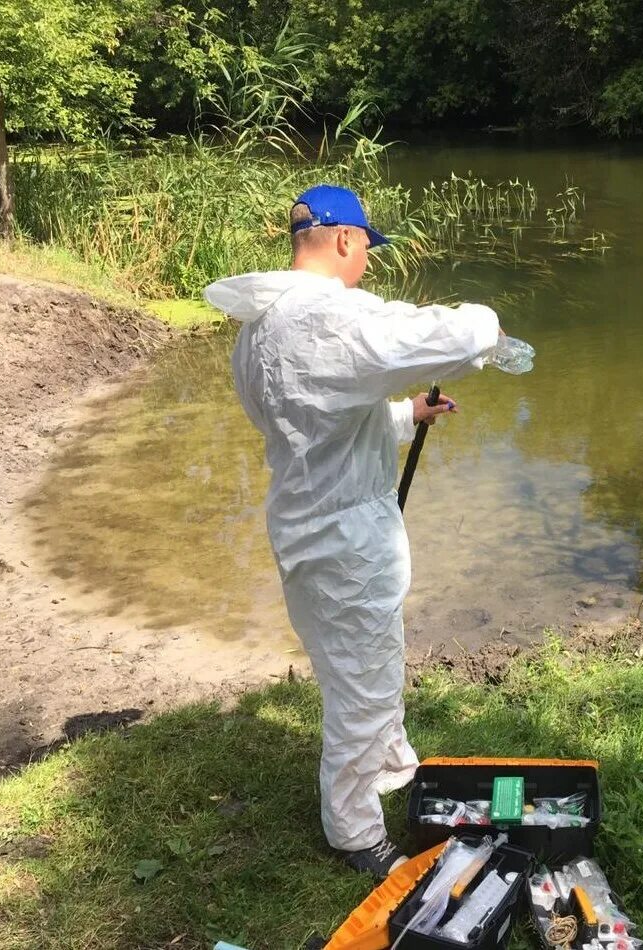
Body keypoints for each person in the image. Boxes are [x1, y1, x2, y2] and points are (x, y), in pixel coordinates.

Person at [203, 184, 503, 876]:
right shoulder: (329, 316)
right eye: (368, 244)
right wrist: (491, 326)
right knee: (361, 687)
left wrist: (406, 417)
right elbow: (446, 336)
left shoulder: (258, 331)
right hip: (345, 543)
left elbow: (314, 424)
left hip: (306, 525)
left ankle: (389, 768)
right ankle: (355, 833)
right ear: (343, 238)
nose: (367, 258)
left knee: (354, 673)